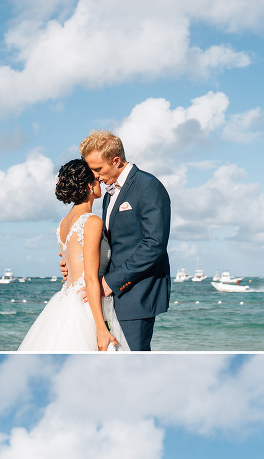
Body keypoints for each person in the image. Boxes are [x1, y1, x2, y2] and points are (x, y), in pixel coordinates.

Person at [18, 159, 129, 352]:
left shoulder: (63, 223)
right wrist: (101, 328)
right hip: (87, 303)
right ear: (88, 185)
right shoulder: (92, 221)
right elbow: (90, 278)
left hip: (65, 301)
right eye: (95, 179)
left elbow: (69, 264)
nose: (100, 181)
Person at [74, 131, 171, 352]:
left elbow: (154, 244)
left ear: (116, 160)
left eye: (97, 169)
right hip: (110, 295)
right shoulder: (109, 194)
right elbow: (112, 244)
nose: (95, 176)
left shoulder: (148, 186)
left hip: (137, 295)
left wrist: (111, 282)